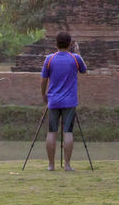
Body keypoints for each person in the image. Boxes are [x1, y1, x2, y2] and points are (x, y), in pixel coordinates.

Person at [38, 31, 88, 172]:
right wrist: (78, 52)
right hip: (70, 102)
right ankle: (67, 165)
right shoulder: (75, 58)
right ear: (70, 44)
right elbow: (84, 70)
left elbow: (43, 81)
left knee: (51, 132)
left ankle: (51, 165)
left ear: (56, 44)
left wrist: (44, 95)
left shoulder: (49, 59)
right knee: (68, 132)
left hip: (53, 101)